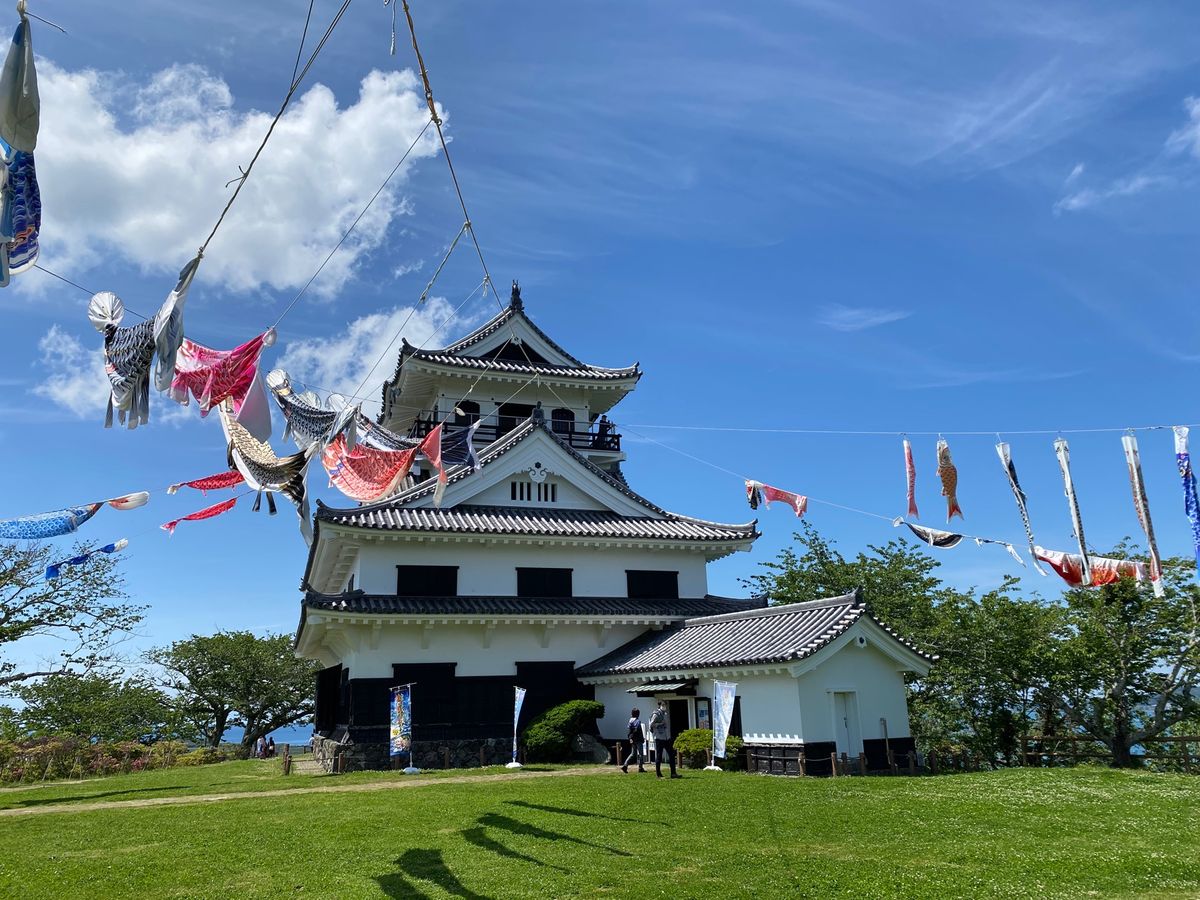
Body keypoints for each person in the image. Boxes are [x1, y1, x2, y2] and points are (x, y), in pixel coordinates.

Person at [648, 701, 680, 778]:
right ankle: (658, 774)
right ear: (659, 706)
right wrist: (660, 724)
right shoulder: (656, 714)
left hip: (666, 738)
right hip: (659, 737)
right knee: (659, 756)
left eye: (665, 705)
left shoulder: (664, 714)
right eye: (663, 705)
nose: (664, 706)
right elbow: (651, 725)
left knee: (671, 754)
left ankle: (673, 773)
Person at [621, 708, 646, 773]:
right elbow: (637, 729)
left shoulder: (630, 720)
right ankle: (640, 768)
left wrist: (630, 738)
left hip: (632, 739)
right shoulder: (637, 721)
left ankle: (625, 765)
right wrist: (641, 738)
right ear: (638, 714)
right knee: (641, 754)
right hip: (638, 739)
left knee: (633, 754)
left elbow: (629, 730)